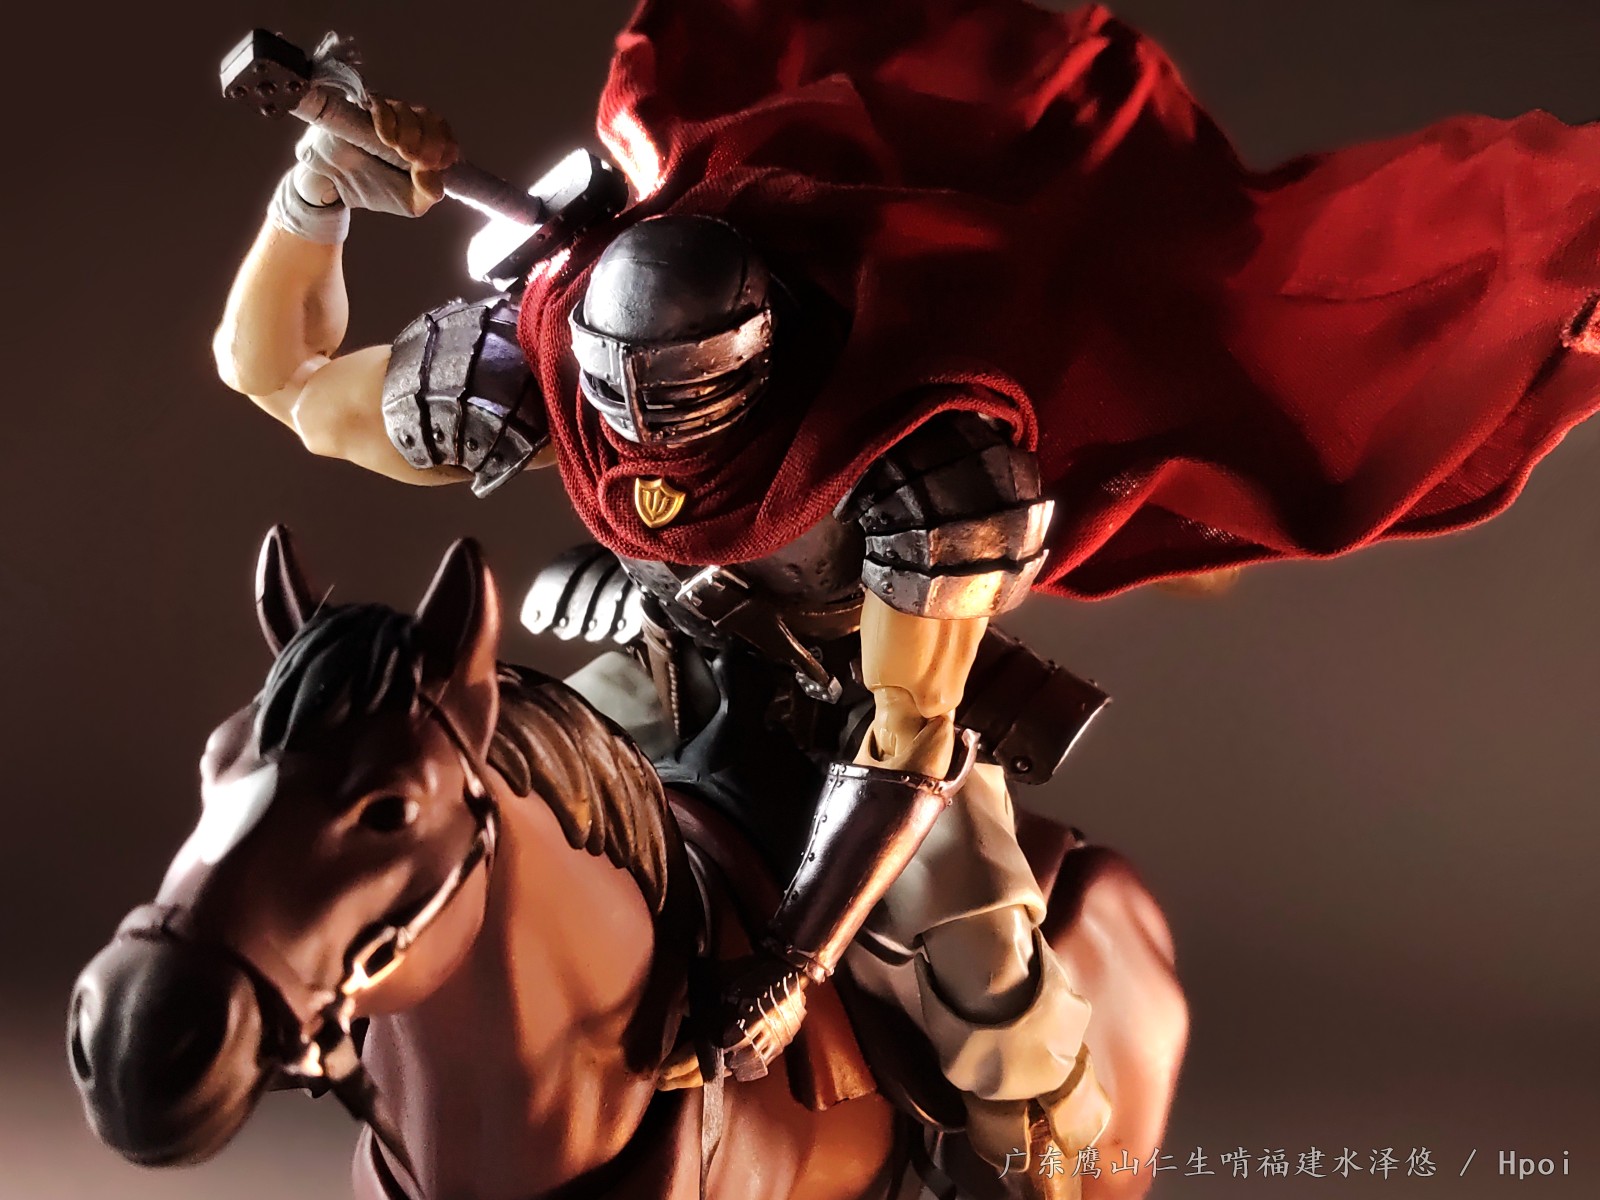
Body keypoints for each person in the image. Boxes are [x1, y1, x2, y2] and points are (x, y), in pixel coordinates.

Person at [213, 0, 1600, 1172]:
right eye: (619, 418)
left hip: (855, 724)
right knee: (453, 825)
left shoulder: (923, 457)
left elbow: (905, 738)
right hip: (654, 662)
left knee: (1000, 1022)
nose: (646, 457)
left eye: (684, 422)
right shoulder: (548, 348)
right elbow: (278, 377)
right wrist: (315, 196)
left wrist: (789, 966)